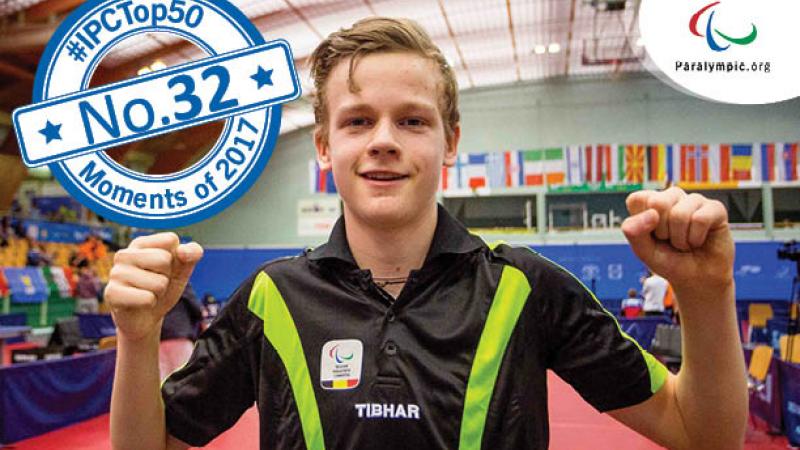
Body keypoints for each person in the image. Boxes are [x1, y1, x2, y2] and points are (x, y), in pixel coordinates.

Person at [105, 17, 746, 450]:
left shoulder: (527, 289)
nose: (383, 140)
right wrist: (137, 341)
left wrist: (706, 292)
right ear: (325, 147)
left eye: (412, 120)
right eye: (358, 121)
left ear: (450, 143)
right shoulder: (271, 297)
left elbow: (700, 431)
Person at [159, 283, 204, 380]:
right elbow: (196, 308)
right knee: (188, 380)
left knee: (161, 382)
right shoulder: (179, 279)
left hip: (157, 342)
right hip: (181, 339)